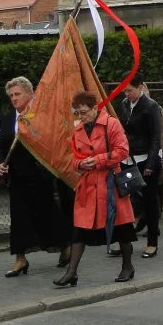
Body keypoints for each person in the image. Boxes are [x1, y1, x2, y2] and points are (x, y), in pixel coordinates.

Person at [54, 91, 137, 287]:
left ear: (95, 108)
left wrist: (97, 160)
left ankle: (127, 266)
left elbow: (123, 150)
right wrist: (80, 165)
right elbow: (72, 158)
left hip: (111, 185)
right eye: (78, 113)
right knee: (80, 231)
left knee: (121, 229)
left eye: (83, 112)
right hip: (88, 188)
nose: (81, 117)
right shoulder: (78, 130)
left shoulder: (111, 124)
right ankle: (71, 272)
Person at [0, 77, 62, 277]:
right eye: (11, 96)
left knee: (47, 214)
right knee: (18, 219)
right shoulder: (8, 119)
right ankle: (20, 259)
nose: (14, 98)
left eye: (18, 94)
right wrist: (1, 164)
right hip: (16, 177)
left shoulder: (40, 116)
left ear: (30, 94)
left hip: (38, 176)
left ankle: (64, 246)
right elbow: (1, 147)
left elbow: (50, 143)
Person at [116, 74, 163, 259]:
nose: (127, 94)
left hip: (146, 158)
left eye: (130, 90)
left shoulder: (151, 106)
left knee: (149, 202)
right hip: (128, 158)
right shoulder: (124, 105)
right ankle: (125, 242)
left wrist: (151, 163)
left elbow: (156, 137)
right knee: (125, 202)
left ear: (140, 88)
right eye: (125, 91)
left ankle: (152, 242)